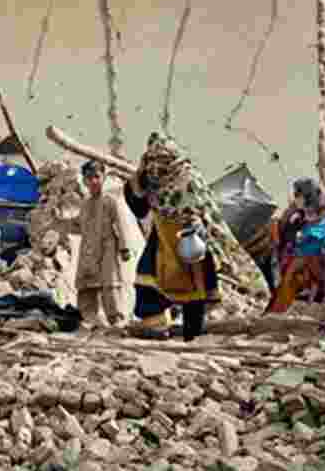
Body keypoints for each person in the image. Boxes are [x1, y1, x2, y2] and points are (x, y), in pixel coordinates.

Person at [123, 132, 234, 342]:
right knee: (149, 279)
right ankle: (156, 325)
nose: (156, 167)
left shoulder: (189, 178)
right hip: (163, 236)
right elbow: (140, 209)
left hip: (189, 237)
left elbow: (208, 211)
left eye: (162, 160)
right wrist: (135, 184)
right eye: (152, 160)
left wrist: (202, 227)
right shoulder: (148, 178)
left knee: (193, 286)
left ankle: (193, 329)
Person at [54, 160, 134, 328]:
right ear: (84, 181)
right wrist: (60, 221)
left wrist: (124, 248)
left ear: (103, 177)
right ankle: (89, 319)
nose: (94, 181)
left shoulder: (110, 201)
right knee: (87, 286)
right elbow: (77, 225)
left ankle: (116, 320)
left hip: (107, 249)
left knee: (109, 285)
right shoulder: (85, 204)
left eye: (97, 177)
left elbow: (121, 224)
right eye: (89, 178)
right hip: (88, 251)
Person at [265, 177, 325, 313]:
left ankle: (280, 307)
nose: (294, 198)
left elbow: (321, 235)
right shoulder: (303, 213)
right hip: (318, 260)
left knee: (294, 269)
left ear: (306, 196)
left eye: (297, 195)